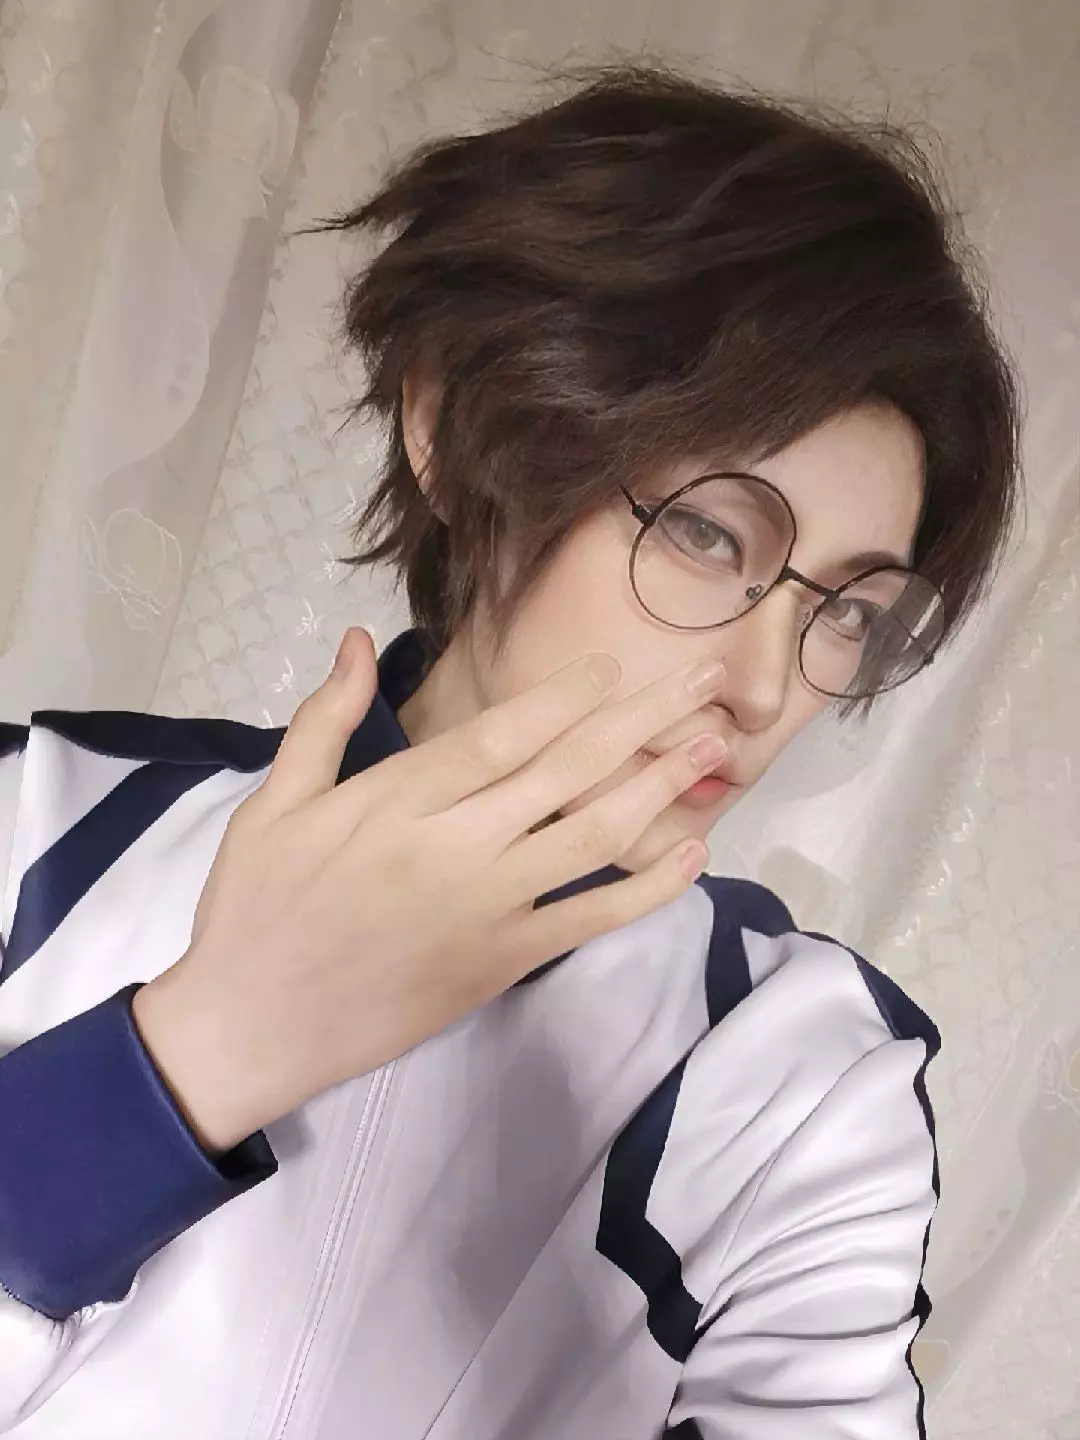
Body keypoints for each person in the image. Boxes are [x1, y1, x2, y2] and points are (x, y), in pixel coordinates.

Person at [0, 62, 1019, 1439]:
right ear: (454, 429)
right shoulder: (38, 820)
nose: (767, 686)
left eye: (845, 609)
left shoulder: (805, 1075)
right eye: (710, 533)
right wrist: (202, 1049)